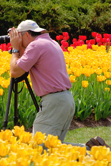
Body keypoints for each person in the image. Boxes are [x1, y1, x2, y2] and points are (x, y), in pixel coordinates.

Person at [8, 19, 110, 150]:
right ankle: (95, 149)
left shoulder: (35, 46)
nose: (16, 39)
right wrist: (20, 47)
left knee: (40, 147)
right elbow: (24, 67)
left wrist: (15, 48)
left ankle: (95, 150)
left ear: (26, 35)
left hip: (54, 102)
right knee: (53, 148)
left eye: (18, 36)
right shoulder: (51, 43)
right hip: (64, 100)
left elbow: (15, 71)